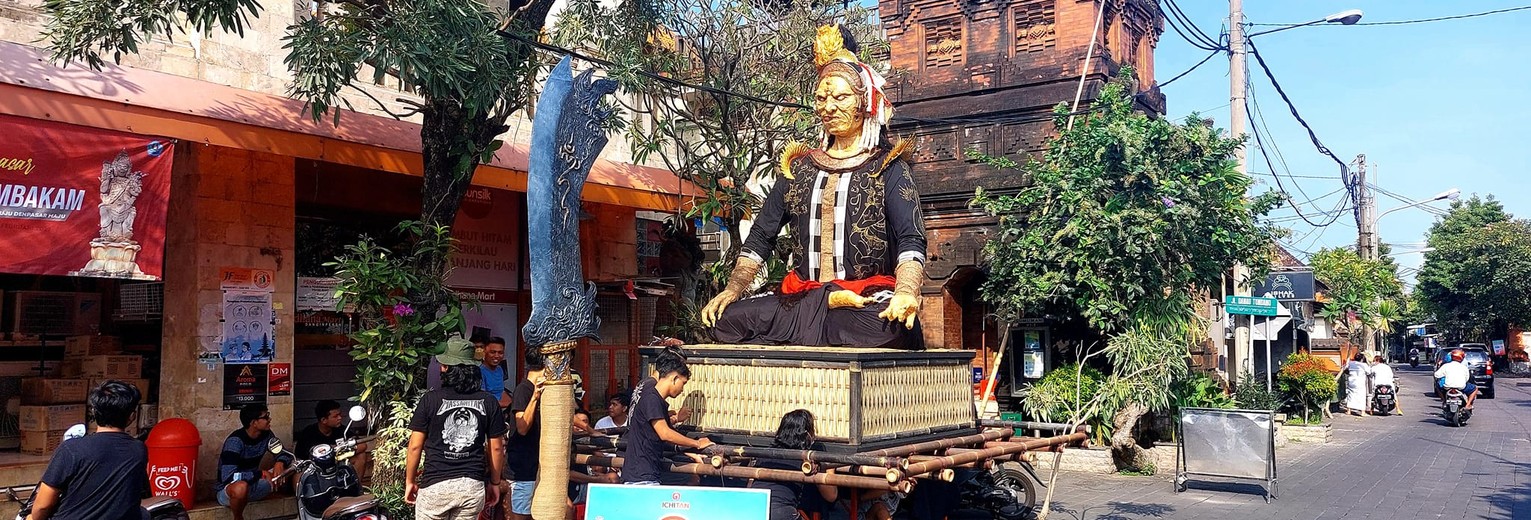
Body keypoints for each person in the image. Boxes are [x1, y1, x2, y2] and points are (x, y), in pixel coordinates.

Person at [699, 24, 927, 349]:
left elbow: (910, 238)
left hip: (868, 299)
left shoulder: (889, 167)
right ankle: (828, 300)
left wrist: (906, 291)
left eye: (840, 97)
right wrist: (733, 289)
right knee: (725, 319)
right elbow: (761, 236)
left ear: (865, 102)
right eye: (822, 98)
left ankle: (832, 305)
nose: (829, 107)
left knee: (887, 325)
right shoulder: (799, 168)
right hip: (801, 297)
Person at [405, 338, 507, 520]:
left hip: (435, 486)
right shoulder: (489, 401)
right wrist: (494, 482)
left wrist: (410, 481)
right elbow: (497, 448)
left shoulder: (430, 400)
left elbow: (414, 446)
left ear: (445, 368)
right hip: (471, 487)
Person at [26, 380, 147, 520]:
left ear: (94, 412)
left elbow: (42, 505)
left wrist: (33, 518)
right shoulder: (139, 450)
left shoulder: (71, 449)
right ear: (132, 416)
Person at [621, 348, 713, 485]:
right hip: (641, 473)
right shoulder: (651, 395)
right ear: (674, 377)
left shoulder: (650, 392)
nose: (682, 390)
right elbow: (665, 433)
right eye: (683, 383)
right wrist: (697, 443)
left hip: (646, 469)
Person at [748, 410, 839, 520]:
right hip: (781, 513)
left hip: (753, 509)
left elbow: (750, 485)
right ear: (806, 433)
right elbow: (831, 496)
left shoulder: (764, 454)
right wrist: (829, 468)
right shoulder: (805, 459)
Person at [218, 404, 293, 520]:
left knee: (292, 468)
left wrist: (280, 462)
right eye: (266, 417)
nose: (269, 420)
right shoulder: (235, 441)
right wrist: (259, 473)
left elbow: (285, 454)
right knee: (241, 487)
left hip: (255, 485)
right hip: (230, 490)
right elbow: (228, 477)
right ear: (254, 423)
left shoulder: (267, 435)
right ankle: (238, 517)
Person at [504, 349, 547, 520]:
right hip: (522, 470)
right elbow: (522, 427)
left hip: (536, 469)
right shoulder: (524, 390)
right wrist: (535, 398)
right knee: (521, 516)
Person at [481, 337, 513, 409]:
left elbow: (501, 392)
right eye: (492, 352)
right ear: (484, 352)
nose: (496, 356)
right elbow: (483, 401)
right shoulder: (480, 372)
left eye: (500, 353)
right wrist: (507, 404)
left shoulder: (499, 369)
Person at [1338, 352, 1371, 416]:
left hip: (1351, 382)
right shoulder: (1364, 365)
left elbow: (1344, 368)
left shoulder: (1350, 363)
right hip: (1360, 383)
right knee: (1361, 396)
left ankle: (1348, 410)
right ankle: (1362, 412)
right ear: (1362, 359)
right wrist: (1368, 363)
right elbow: (1369, 372)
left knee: (1350, 396)